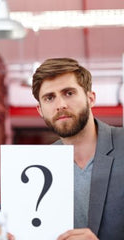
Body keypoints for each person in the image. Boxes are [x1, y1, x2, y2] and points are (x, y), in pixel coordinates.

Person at [32, 58, 124, 240]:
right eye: (49, 98)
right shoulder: (38, 166)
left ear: (91, 99)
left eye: (68, 93)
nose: (60, 105)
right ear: (40, 110)